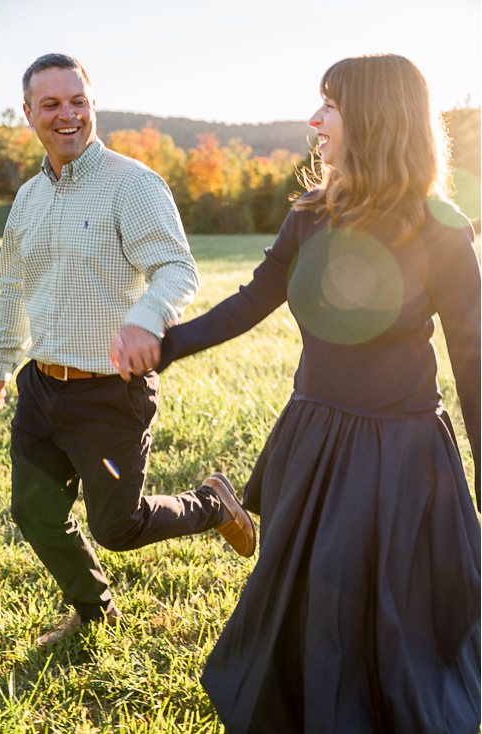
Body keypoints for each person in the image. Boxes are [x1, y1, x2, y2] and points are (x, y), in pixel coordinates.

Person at [154, 54, 480, 732]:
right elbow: (252, 301)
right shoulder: (310, 213)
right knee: (308, 601)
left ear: (372, 117)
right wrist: (163, 348)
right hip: (312, 440)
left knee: (386, 616)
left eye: (328, 106)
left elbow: (473, 363)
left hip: (400, 455)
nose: (314, 121)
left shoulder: (442, 226)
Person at [0, 53, 255, 646]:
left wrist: (145, 320)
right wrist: (0, 365)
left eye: (78, 101)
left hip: (110, 392)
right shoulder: (27, 201)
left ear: (93, 105)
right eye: (52, 105)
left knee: (118, 526)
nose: (68, 115)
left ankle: (211, 504)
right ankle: (96, 612)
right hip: (41, 386)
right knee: (34, 514)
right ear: (29, 113)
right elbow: (12, 288)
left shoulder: (131, 184)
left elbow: (176, 268)